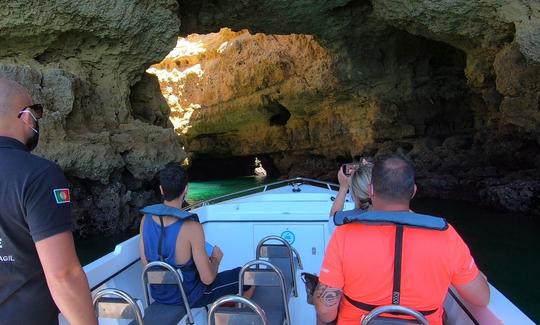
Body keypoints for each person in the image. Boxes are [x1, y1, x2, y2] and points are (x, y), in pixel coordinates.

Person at [315, 154, 490, 325]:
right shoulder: (446, 236)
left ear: (371, 190)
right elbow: (481, 298)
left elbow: (326, 312)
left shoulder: (345, 234)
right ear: (413, 191)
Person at [0, 78, 96, 324]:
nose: (35, 121)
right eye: (35, 113)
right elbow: (63, 275)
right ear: (24, 116)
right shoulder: (39, 174)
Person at [139, 163, 253, 308]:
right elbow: (207, 279)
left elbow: (146, 262)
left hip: (158, 294)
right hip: (189, 297)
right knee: (248, 276)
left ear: (161, 189)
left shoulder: (146, 219)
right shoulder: (192, 227)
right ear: (186, 189)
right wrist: (216, 258)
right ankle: (226, 319)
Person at [328, 158, 373, 233]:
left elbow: (332, 220)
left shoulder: (344, 221)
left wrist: (343, 187)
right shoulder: (389, 216)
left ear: (354, 194)